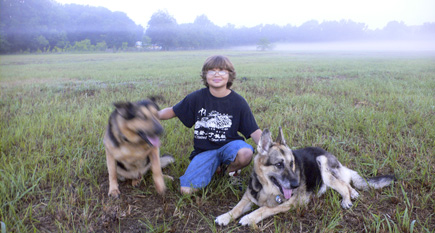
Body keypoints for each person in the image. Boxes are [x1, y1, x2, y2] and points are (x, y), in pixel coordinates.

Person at [159, 55, 262, 194]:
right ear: (205, 75)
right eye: (212, 70)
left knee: (245, 153)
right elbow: (172, 111)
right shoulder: (197, 97)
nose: (217, 74)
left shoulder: (238, 101)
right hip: (205, 151)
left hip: (230, 147)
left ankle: (228, 171)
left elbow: (253, 130)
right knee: (186, 190)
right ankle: (215, 168)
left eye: (222, 70)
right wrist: (149, 114)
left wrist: (272, 147)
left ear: (229, 75)